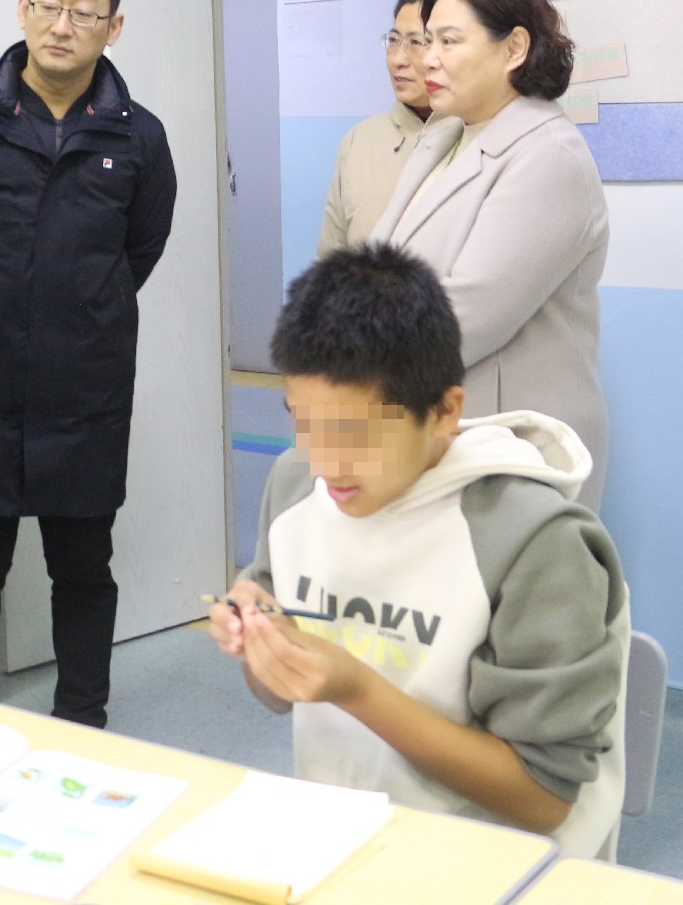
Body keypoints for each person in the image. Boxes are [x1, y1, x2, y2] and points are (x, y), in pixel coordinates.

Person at [209, 243, 628, 857]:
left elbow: (543, 798)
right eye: (303, 422)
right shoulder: (295, 486)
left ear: (444, 412)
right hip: (343, 840)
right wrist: (262, 642)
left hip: (494, 862)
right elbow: (277, 693)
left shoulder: (534, 542)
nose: (325, 464)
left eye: (355, 436)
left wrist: (356, 690)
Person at [0, 0, 177, 729]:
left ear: (114, 26)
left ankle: (82, 722)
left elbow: (138, 251)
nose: (62, 25)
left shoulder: (139, 137)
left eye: (84, 11)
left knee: (83, 569)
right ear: (23, 8)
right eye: (49, 5)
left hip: (84, 394)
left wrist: (78, 311)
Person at [368, 0, 611, 507]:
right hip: (432, 427)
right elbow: (376, 266)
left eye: (448, 41)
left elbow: (463, 319)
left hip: (508, 440)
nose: (426, 58)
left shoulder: (549, 157)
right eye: (426, 40)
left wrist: (340, 345)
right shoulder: (446, 134)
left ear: (514, 48)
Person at [317, 0, 434, 254]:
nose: (397, 60)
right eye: (393, 41)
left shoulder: (474, 138)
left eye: (416, 42)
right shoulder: (358, 141)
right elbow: (331, 256)